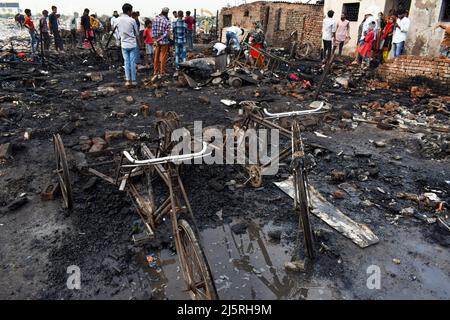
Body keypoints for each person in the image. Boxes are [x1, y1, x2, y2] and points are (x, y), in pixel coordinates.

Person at [116, 3, 141, 86]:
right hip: (132, 44)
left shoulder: (118, 20)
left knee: (126, 62)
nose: (132, 12)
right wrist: (140, 43)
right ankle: (133, 81)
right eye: (131, 11)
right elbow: (137, 33)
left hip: (124, 44)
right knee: (132, 62)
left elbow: (117, 32)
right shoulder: (132, 20)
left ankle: (127, 81)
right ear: (128, 11)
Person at [152, 7, 172, 78]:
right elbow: (168, 33)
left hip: (157, 41)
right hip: (164, 42)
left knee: (156, 56)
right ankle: (162, 72)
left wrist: (155, 40)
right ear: (167, 13)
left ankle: (155, 71)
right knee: (163, 57)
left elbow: (153, 31)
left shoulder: (155, 19)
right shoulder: (167, 21)